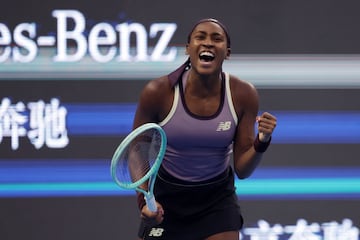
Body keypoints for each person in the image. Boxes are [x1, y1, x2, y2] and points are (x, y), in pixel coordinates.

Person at [132, 18, 277, 240]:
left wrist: (262, 141)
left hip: (216, 200)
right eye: (200, 37)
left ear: (226, 52)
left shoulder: (243, 94)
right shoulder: (158, 92)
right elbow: (136, 150)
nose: (208, 43)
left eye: (216, 39)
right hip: (167, 197)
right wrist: (144, 199)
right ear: (188, 49)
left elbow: (242, 170)